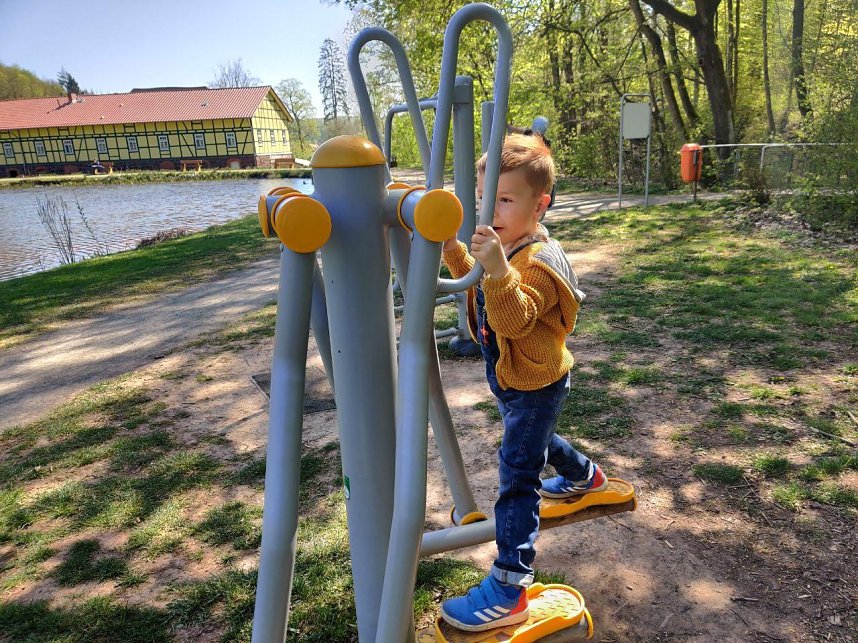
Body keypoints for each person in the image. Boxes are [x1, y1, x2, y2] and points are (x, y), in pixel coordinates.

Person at [439, 132, 607, 632]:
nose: (490, 210)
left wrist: (496, 269)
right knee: (536, 442)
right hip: (517, 380)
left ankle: (510, 586)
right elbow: (478, 281)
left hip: (536, 383)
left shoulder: (533, 262)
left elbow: (513, 318)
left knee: (518, 474)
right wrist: (454, 247)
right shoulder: (508, 246)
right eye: (484, 199)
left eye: (505, 200)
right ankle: (585, 476)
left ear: (541, 205)